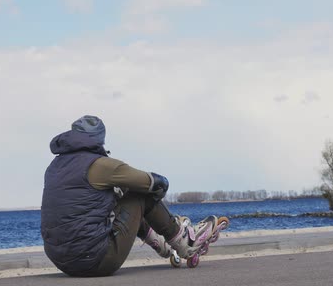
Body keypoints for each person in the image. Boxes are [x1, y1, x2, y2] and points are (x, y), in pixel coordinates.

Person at [41, 115, 219, 277]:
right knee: (139, 196)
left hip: (61, 261)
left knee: (120, 201)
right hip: (96, 261)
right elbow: (152, 182)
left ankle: (160, 242)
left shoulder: (54, 167)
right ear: (100, 138)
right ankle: (186, 243)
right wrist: (159, 193)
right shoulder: (101, 165)